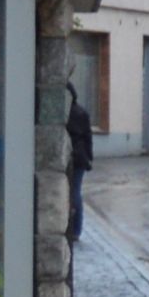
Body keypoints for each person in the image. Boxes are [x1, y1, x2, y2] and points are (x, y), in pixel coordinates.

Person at [63, 84, 95, 243]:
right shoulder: (82, 112)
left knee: (71, 192)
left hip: (70, 157)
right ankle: (76, 228)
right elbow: (88, 137)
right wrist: (89, 158)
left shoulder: (65, 113)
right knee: (75, 192)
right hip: (81, 158)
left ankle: (71, 227)